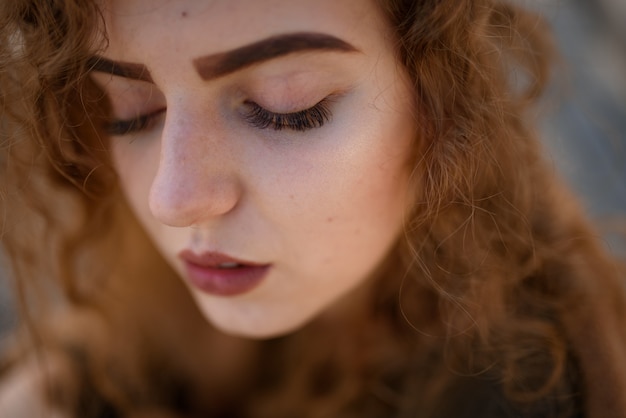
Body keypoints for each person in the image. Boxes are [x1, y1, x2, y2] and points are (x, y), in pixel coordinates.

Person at [0, 0, 625, 416]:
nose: (174, 199)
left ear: (444, 108)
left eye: (287, 107)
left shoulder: (532, 386)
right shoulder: (145, 299)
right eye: (132, 109)